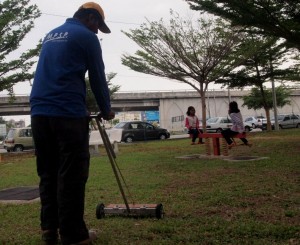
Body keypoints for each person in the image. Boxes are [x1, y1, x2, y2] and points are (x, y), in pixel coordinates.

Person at [30, 2, 115, 244]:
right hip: (67, 112)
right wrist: (106, 109)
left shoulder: (50, 34)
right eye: (98, 26)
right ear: (91, 18)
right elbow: (98, 77)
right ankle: (73, 235)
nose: (97, 32)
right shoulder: (86, 37)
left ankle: (49, 230)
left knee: (48, 172)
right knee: (72, 173)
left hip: (38, 112)